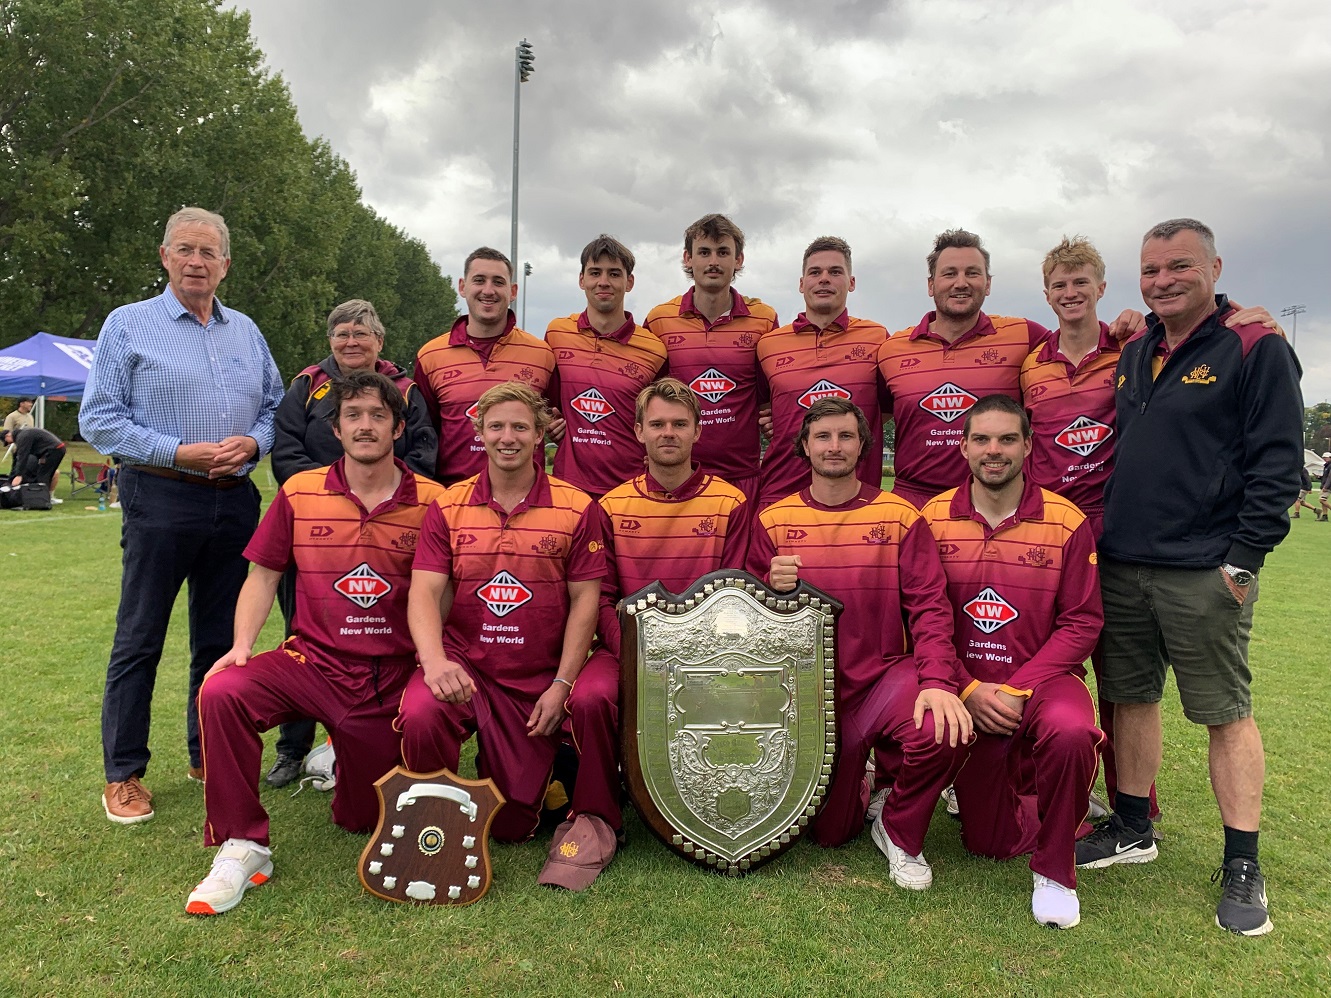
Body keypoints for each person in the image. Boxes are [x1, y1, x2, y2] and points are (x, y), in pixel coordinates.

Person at [1077, 218, 1304, 937]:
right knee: (1130, 699)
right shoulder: (1135, 347)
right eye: (1149, 270)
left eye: (1178, 266)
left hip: (1203, 569)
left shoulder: (1252, 344)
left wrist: (1242, 562)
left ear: (1213, 266)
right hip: (1124, 560)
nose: (1162, 280)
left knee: (1223, 713)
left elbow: (1278, 468)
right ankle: (1133, 826)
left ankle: (1241, 862)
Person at [187, 372, 444, 915]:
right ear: (337, 427)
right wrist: (240, 646)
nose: (365, 425)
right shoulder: (300, 492)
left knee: (362, 819)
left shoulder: (436, 502)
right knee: (222, 692)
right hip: (313, 662)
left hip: (390, 676)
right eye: (353, 415)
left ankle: (340, 764)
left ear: (398, 428)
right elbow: (262, 575)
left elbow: (447, 592)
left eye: (378, 415)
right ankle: (243, 844)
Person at [80, 206, 283, 824]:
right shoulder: (128, 325)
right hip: (161, 493)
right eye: (185, 250)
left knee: (221, 639)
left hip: (234, 499)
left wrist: (253, 443)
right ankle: (124, 774)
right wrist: (177, 451)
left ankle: (207, 753)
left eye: (209, 253)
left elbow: (276, 406)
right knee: (140, 638)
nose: (197, 262)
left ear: (225, 265)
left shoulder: (245, 330)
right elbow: (99, 418)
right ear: (165, 257)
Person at [397, 382, 622, 891]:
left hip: (534, 676)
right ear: (479, 433)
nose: (508, 437)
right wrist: (433, 663)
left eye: (521, 426)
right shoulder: (449, 505)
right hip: (466, 668)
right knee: (422, 710)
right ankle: (432, 827)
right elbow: (425, 593)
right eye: (496, 426)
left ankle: (522, 776)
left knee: (514, 826)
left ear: (542, 433)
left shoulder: (576, 506)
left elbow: (587, 600)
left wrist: (562, 684)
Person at [748, 398, 971, 888]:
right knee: (831, 834)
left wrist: (937, 681)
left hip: (883, 680)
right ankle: (865, 782)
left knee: (942, 724)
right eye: (823, 436)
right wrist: (769, 590)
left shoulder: (900, 516)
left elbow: (930, 606)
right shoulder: (773, 520)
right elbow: (747, 624)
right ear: (804, 447)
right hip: (811, 696)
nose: (834, 446)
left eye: (846, 436)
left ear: (863, 445)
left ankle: (899, 829)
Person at [921, 394, 1103, 928]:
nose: (993, 451)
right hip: (967, 684)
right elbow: (924, 620)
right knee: (988, 843)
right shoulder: (931, 518)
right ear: (963, 446)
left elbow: (1082, 622)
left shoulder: (1066, 520)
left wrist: (1017, 687)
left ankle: (1056, 873)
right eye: (981, 439)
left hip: (1041, 679)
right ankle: (1055, 807)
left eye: (1006, 439)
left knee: (1071, 732)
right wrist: (969, 688)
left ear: (1028, 445)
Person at [264, 299, 437, 788]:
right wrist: (331, 499)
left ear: (379, 341)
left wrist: (392, 496)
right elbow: (286, 450)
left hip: (389, 529)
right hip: (316, 536)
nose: (351, 342)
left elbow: (424, 447)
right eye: (342, 334)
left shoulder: (404, 389)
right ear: (330, 341)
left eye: (361, 334)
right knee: (303, 634)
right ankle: (291, 749)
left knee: (385, 629)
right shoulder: (305, 386)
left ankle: (384, 737)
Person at [878, 229, 1149, 511]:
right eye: (950, 274)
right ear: (931, 284)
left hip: (997, 502)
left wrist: (1133, 323)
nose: (961, 283)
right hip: (913, 503)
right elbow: (874, 419)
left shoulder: (1025, 336)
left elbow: (1077, 341)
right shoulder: (892, 348)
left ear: (988, 283)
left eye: (972, 273)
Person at [597, 377, 752, 657]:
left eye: (680, 424)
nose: (668, 433)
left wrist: (696, 653)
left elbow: (732, 595)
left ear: (697, 432)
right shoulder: (611, 505)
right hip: (631, 648)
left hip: (706, 651)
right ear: (639, 432)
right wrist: (632, 651)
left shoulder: (731, 503)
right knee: (590, 698)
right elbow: (601, 598)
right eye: (657, 424)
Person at [643, 215, 779, 499]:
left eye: (723, 252)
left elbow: (774, 394)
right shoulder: (660, 320)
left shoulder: (764, 320)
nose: (713, 261)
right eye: (704, 252)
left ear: (738, 259)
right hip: (679, 476)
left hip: (741, 476)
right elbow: (644, 399)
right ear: (688, 258)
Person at [755, 237, 888, 508]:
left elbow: (888, 409)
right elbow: (761, 405)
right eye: (815, 272)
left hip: (857, 496)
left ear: (851, 282)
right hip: (781, 493)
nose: (824, 279)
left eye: (835, 272)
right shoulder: (768, 344)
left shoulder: (878, 339)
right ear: (802, 283)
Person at [413, 247, 556, 485]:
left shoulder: (542, 354)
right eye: (479, 280)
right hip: (452, 497)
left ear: (512, 291)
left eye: (498, 282)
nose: (488, 290)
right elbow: (425, 435)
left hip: (526, 497)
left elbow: (557, 421)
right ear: (462, 286)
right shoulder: (430, 356)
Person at [546, 235, 668, 498]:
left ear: (629, 282)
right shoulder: (557, 334)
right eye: (595, 273)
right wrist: (550, 422)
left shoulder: (654, 349)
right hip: (568, 488)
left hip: (631, 490)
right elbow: (545, 402)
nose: (604, 282)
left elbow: (661, 416)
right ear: (582, 280)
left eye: (614, 273)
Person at [4, 425, 66, 497]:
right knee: (44, 474)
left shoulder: (22, 437)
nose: (10, 444)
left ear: (7, 436)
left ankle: (42, 499)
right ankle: (45, 497)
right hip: (55, 449)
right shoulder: (24, 433)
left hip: (53, 450)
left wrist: (19, 475)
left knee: (43, 475)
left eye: (7, 442)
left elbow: (23, 456)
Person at [1319, 453, 1331, 521]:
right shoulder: (1326, 466)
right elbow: (1326, 477)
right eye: (1323, 458)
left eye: (1326, 458)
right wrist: (1319, 477)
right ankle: (1325, 516)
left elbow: (1330, 477)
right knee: (1323, 500)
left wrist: (1326, 487)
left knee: (1322, 500)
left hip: (1328, 486)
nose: (1324, 459)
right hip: (1326, 485)